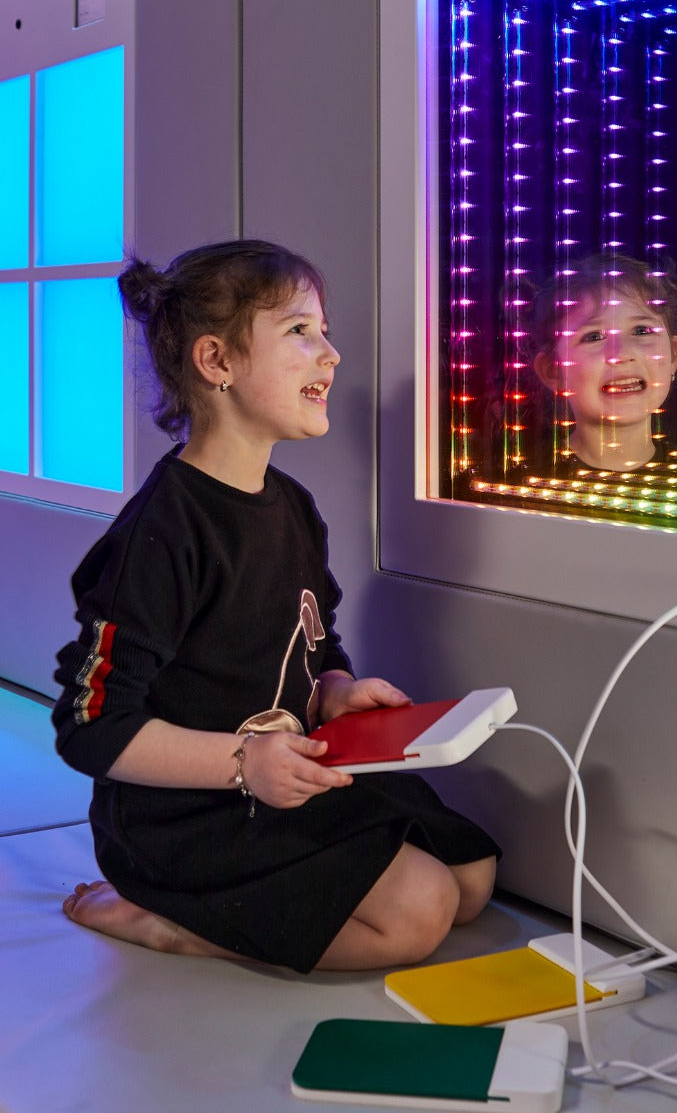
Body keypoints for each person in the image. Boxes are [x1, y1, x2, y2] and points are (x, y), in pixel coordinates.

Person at [51, 239, 499, 974]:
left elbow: (312, 645)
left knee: (472, 877)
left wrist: (336, 692)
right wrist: (240, 762)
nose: (330, 354)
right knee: (419, 914)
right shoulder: (161, 535)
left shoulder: (294, 507)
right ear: (216, 362)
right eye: (299, 331)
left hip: (283, 779)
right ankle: (173, 924)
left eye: (323, 331)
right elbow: (89, 727)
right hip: (189, 816)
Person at [531, 254, 677, 472]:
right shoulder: (525, 483)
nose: (621, 354)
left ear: (673, 355)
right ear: (553, 371)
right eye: (594, 336)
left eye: (641, 331)